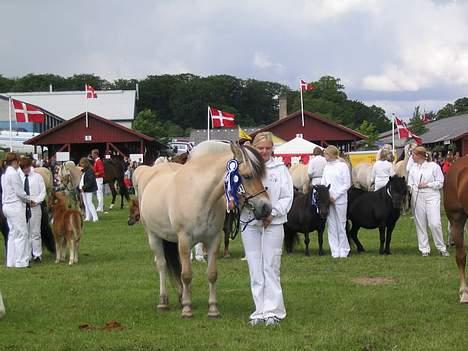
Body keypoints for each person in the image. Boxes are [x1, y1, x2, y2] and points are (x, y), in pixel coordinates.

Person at [240, 132, 293, 327]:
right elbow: (241, 195)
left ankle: (274, 311)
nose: (264, 151)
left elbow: (288, 196)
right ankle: (259, 310)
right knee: (255, 267)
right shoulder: (245, 168)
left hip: (274, 223)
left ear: (272, 149)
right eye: (260, 148)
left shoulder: (280, 169)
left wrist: (273, 213)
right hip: (250, 224)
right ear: (254, 148)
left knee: (271, 266)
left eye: (267, 148)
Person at [408, 146, 448, 257]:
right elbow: (410, 183)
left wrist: (427, 185)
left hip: (432, 196)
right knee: (420, 224)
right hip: (417, 197)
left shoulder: (434, 167)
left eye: (414, 154)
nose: (412, 157)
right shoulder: (413, 168)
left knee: (434, 223)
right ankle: (424, 249)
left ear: (420, 155)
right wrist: (412, 188)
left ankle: (441, 247)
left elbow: (440, 182)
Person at [1, 152, 34, 268]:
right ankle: (21, 261)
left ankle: (11, 261)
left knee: (13, 233)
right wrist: (29, 199)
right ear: (15, 161)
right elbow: (19, 192)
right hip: (15, 206)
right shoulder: (13, 174)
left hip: (6, 206)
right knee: (22, 233)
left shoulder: (4, 175)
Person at [321, 145, 351, 258]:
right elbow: (324, 182)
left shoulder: (342, 166)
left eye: (326, 154)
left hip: (340, 200)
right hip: (328, 199)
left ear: (332, 155)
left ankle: (344, 250)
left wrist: (336, 196)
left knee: (341, 224)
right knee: (331, 225)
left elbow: (346, 184)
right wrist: (327, 196)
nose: (325, 156)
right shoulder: (326, 167)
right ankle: (334, 250)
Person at [19, 157, 46, 263]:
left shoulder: (38, 177)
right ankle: (27, 253)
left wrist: (36, 201)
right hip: (22, 207)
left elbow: (42, 192)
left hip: (35, 207)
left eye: (27, 167)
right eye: (23, 168)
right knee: (25, 232)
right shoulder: (19, 178)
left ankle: (37, 254)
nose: (26, 169)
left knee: (36, 232)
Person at [79, 158, 98, 222]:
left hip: (88, 189)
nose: (81, 165)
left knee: (89, 203)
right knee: (86, 203)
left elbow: (90, 181)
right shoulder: (85, 170)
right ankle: (88, 217)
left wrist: (84, 187)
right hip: (84, 189)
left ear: (85, 163)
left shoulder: (89, 171)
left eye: (82, 163)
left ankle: (95, 217)